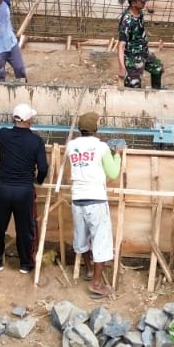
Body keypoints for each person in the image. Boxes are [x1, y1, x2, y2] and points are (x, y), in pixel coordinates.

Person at [66, 112, 123, 298]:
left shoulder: (71, 146)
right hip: (96, 200)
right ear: (96, 129)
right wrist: (118, 155)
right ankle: (97, 284)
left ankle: (90, 270)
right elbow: (113, 173)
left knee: (81, 238)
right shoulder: (101, 147)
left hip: (77, 200)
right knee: (101, 242)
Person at [0, 103, 49, 273]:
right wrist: (39, 180)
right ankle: (25, 264)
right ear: (29, 119)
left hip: (2, 188)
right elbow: (43, 167)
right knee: (25, 228)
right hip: (24, 191)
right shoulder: (36, 141)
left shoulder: (3, 135)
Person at [117, 0, 164, 89]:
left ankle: (156, 93)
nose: (145, 3)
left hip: (143, 53)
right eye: (142, 1)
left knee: (157, 68)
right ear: (133, 3)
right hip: (131, 58)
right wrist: (121, 66)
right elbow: (121, 45)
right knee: (134, 85)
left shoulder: (139, 12)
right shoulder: (127, 21)